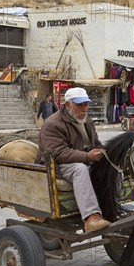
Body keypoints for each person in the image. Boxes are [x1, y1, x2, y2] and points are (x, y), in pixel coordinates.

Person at [36, 87, 111, 232]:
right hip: (57, 165)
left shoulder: (87, 121)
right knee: (79, 169)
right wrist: (87, 156)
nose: (85, 108)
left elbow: (95, 143)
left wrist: (105, 152)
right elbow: (58, 152)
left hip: (81, 159)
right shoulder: (53, 124)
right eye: (80, 105)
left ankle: (110, 205)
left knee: (110, 164)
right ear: (68, 105)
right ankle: (90, 218)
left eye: (86, 104)